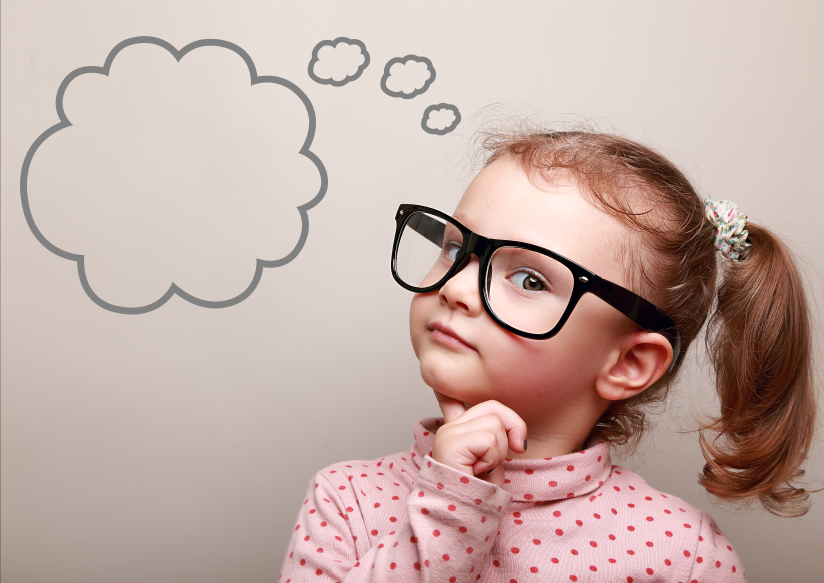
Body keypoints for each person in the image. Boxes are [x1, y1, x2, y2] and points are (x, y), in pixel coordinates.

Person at [278, 130, 817, 582]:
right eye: (455, 247)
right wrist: (449, 509)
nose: (457, 287)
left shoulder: (681, 553)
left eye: (530, 278)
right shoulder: (347, 499)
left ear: (627, 364)